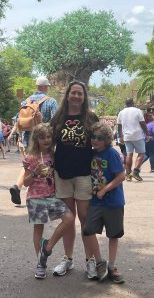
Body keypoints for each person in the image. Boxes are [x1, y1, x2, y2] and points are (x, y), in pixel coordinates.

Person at [50, 80, 100, 279]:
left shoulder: (90, 117)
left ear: (84, 96)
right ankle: (68, 259)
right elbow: (47, 142)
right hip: (62, 173)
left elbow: (101, 142)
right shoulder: (58, 117)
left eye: (80, 93)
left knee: (85, 219)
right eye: (74, 93)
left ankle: (90, 261)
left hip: (84, 173)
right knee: (68, 220)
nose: (77, 96)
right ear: (68, 95)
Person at [23, 123, 74, 279]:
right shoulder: (30, 157)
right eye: (42, 137)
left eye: (48, 137)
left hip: (52, 196)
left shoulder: (54, 154)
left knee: (69, 218)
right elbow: (25, 183)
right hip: (35, 198)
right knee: (39, 229)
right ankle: (41, 264)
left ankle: (48, 246)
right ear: (36, 139)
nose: (46, 140)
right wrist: (34, 173)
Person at [83, 121, 125, 284]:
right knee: (88, 230)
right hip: (95, 201)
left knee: (113, 234)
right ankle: (100, 262)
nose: (95, 140)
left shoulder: (111, 153)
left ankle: (112, 266)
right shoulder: (91, 153)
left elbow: (121, 176)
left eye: (99, 138)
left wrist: (104, 190)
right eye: (93, 136)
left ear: (107, 139)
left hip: (113, 201)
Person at [9, 76, 58, 205]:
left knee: (28, 165)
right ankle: (45, 191)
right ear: (47, 87)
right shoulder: (51, 101)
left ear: (36, 87)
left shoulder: (25, 101)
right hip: (45, 140)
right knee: (46, 163)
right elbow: (55, 121)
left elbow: (17, 119)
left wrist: (19, 134)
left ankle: (18, 186)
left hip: (27, 139)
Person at [117, 98, 149, 182]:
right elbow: (142, 123)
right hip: (138, 135)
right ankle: (135, 171)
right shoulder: (138, 111)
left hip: (127, 136)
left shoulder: (121, 112)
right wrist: (147, 134)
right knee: (141, 153)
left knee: (129, 155)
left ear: (125, 103)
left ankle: (128, 174)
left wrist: (120, 136)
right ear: (133, 103)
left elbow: (119, 126)